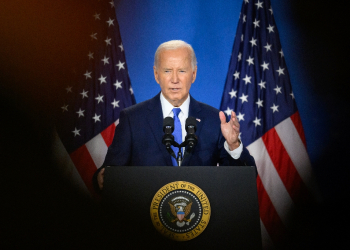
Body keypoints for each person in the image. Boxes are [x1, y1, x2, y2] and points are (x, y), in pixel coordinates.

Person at [94, 40, 255, 191]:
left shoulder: (214, 119)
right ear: (156, 74)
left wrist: (234, 145)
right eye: (167, 71)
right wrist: (103, 178)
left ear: (193, 74)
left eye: (182, 71)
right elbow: (108, 174)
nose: (175, 79)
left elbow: (245, 178)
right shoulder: (132, 119)